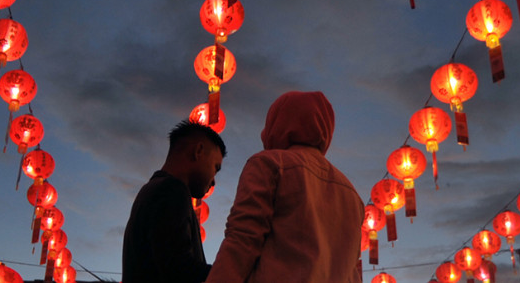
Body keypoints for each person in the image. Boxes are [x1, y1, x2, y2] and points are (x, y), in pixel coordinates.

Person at [206, 91, 364, 283]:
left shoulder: (269, 164)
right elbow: (352, 271)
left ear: (276, 123)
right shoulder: (352, 196)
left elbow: (243, 239)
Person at [122, 120, 226, 283]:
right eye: (215, 167)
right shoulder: (171, 191)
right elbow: (179, 269)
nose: (213, 181)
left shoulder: (153, 190)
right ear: (198, 151)